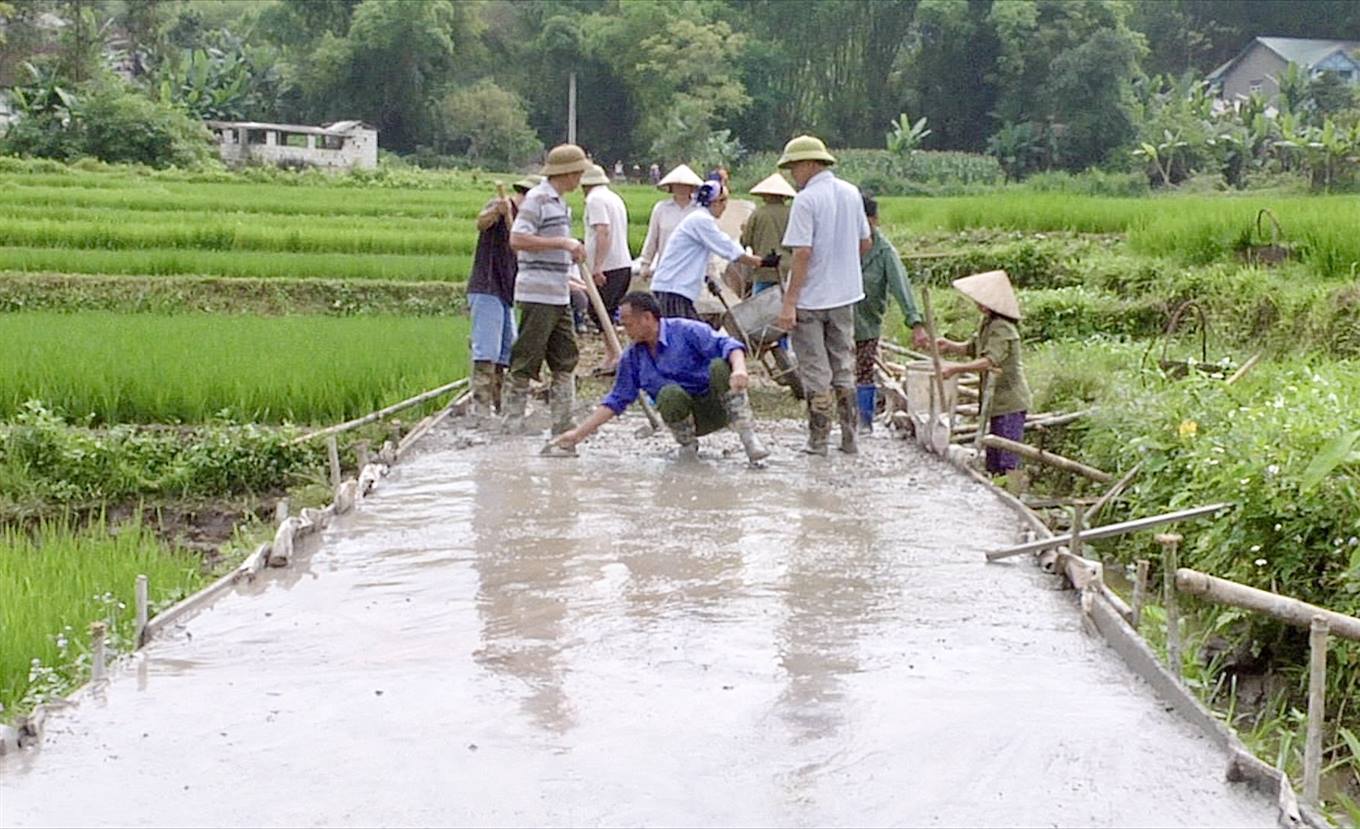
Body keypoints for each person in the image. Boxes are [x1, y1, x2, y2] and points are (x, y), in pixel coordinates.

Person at [551, 292, 769, 463]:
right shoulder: (632, 357)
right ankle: (687, 448)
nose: (624, 329)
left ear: (647, 318)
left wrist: (740, 370)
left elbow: (729, 345)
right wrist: (578, 435)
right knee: (669, 394)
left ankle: (749, 439)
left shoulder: (686, 330)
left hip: (721, 406)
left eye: (627, 323)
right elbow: (616, 400)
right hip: (688, 419)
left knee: (720, 366)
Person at [776, 134, 872, 456]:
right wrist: (843, 267)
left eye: (794, 168)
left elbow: (802, 253)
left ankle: (818, 442)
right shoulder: (850, 193)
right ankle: (849, 438)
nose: (793, 175)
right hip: (845, 296)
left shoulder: (806, 200)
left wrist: (789, 302)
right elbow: (865, 241)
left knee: (816, 370)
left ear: (808, 164)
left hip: (811, 299)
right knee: (843, 366)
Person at [504, 143, 591, 437]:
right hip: (537, 293)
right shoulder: (538, 199)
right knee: (527, 358)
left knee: (566, 357)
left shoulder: (560, 203)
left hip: (558, 292)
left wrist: (572, 251)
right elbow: (517, 239)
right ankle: (512, 425)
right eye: (578, 173)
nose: (580, 180)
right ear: (566, 173)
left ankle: (563, 427)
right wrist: (562, 244)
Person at [936, 270, 1032, 476]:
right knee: (993, 460)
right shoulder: (987, 323)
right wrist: (949, 345)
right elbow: (972, 348)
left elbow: (989, 361)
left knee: (1007, 460)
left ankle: (1011, 492)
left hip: (1009, 403)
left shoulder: (1003, 329)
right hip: (996, 402)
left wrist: (955, 369)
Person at [854, 192, 930, 432]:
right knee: (836, 374)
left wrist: (916, 324)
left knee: (864, 372)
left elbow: (901, 288)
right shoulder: (839, 245)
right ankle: (840, 423)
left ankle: (863, 423)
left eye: (864, 221)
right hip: (835, 322)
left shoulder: (885, 253)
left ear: (874, 221)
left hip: (866, 324)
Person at [649, 180, 777, 320]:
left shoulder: (698, 218)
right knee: (680, 335)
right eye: (724, 202)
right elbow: (726, 247)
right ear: (715, 202)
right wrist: (760, 262)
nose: (725, 207)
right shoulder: (701, 220)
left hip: (675, 287)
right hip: (673, 287)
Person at [467, 175, 540, 416]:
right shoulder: (500, 205)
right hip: (488, 286)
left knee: (507, 352)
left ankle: (500, 407)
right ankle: (480, 410)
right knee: (486, 350)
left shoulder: (526, 220)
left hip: (507, 292)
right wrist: (497, 212)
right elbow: (480, 222)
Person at [580, 164, 632, 371]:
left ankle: (614, 355)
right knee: (606, 311)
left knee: (599, 311)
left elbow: (603, 231)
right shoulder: (613, 198)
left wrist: (598, 266)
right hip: (623, 263)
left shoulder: (595, 200)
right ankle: (614, 355)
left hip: (609, 266)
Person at [638, 164, 702, 278]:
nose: (681, 188)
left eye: (685, 185)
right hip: (665, 268)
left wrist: (708, 271)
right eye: (678, 185)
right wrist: (646, 263)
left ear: (692, 188)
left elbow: (705, 242)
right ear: (671, 187)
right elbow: (652, 237)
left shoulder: (699, 211)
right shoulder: (661, 208)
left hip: (692, 269)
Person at [741, 172, 797, 294]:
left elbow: (745, 241)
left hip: (764, 269)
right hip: (788, 270)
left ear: (765, 195)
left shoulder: (758, 214)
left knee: (761, 308)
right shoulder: (793, 214)